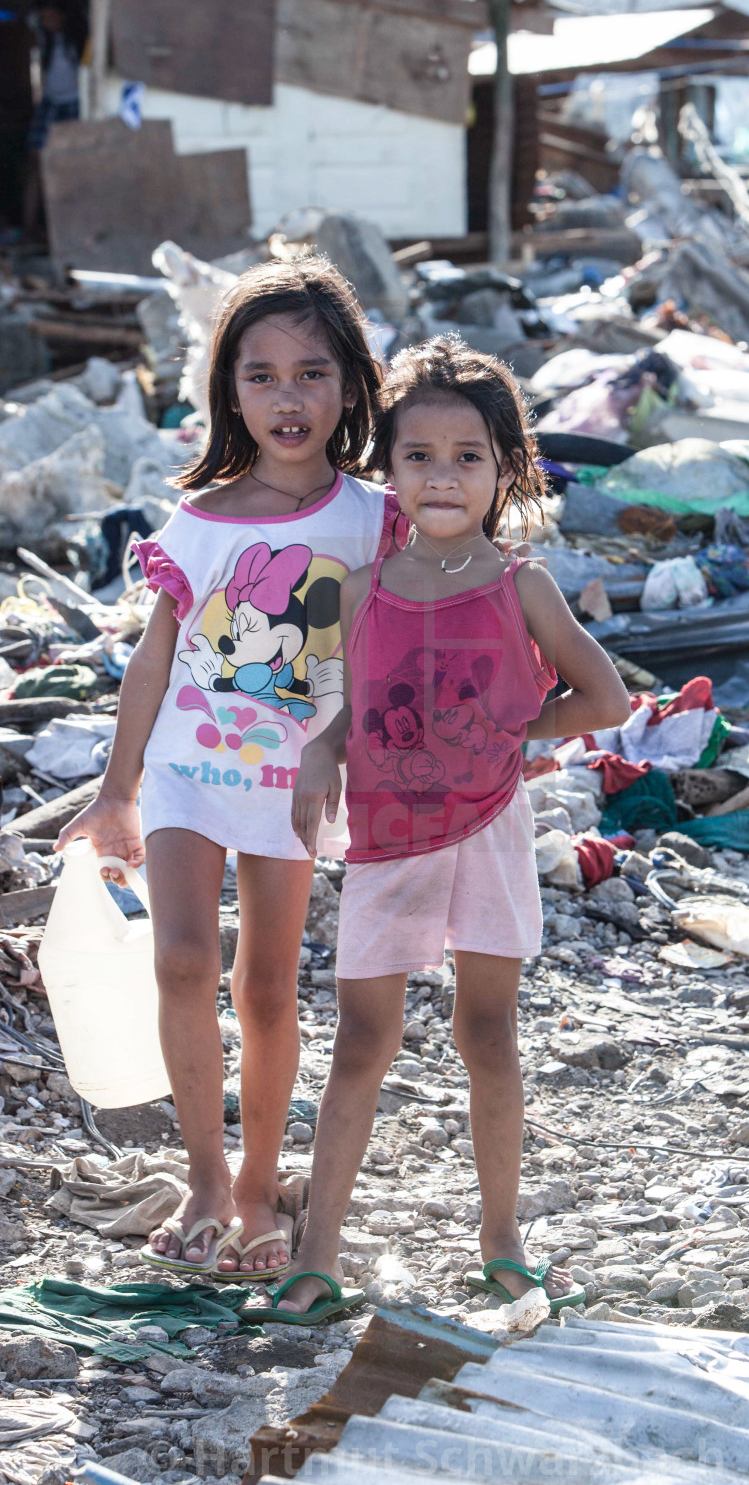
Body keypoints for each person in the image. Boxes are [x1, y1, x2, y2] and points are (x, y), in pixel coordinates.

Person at [263, 335, 631, 1325]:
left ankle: (502, 1240)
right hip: (386, 840)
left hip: (488, 833)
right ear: (387, 468)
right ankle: (319, 1251)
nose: (441, 475)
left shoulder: (523, 587)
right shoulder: (357, 586)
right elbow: (339, 705)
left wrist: (521, 727)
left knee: (488, 1033)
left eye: (468, 456)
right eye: (418, 455)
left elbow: (604, 697)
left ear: (504, 471)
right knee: (360, 1043)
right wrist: (313, 758)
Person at [56, 258, 402, 1279]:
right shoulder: (201, 517)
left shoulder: (371, 517)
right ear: (228, 390)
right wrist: (117, 787)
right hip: (181, 773)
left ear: (348, 384)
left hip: (294, 784)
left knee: (265, 986)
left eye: (309, 373)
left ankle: (260, 1185)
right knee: (179, 961)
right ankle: (205, 1175)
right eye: (260, 376)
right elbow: (155, 660)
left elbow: (395, 653)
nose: (286, 398)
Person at [23, 0, 86, 239]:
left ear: (65, 15)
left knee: (69, 167)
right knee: (35, 163)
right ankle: (29, 228)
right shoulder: (43, 36)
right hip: (50, 104)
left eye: (51, 15)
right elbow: (29, 18)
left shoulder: (80, 39)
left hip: (74, 104)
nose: (46, 20)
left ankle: (65, 230)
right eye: (44, 15)